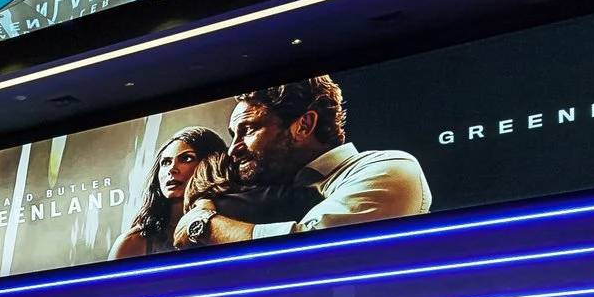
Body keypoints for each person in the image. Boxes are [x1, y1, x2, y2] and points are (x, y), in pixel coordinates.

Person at [173, 75, 429, 248]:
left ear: (303, 125)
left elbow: (308, 252)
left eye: (248, 129)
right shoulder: (271, 191)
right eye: (233, 135)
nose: (233, 151)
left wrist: (204, 224)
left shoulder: (388, 167)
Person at [111, 125, 228, 259]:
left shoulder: (233, 225)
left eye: (186, 158)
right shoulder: (132, 243)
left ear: (211, 165)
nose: (172, 169)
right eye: (166, 162)